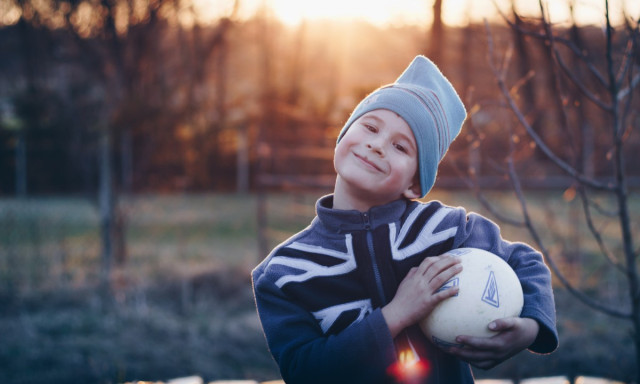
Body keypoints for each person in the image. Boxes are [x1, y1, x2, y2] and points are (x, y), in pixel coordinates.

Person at [252, 55, 558, 384]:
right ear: (343, 136)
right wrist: (394, 315)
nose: (377, 145)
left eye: (400, 146)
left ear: (415, 184)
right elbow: (303, 371)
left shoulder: (446, 230)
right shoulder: (284, 273)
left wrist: (530, 328)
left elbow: (524, 260)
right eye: (370, 127)